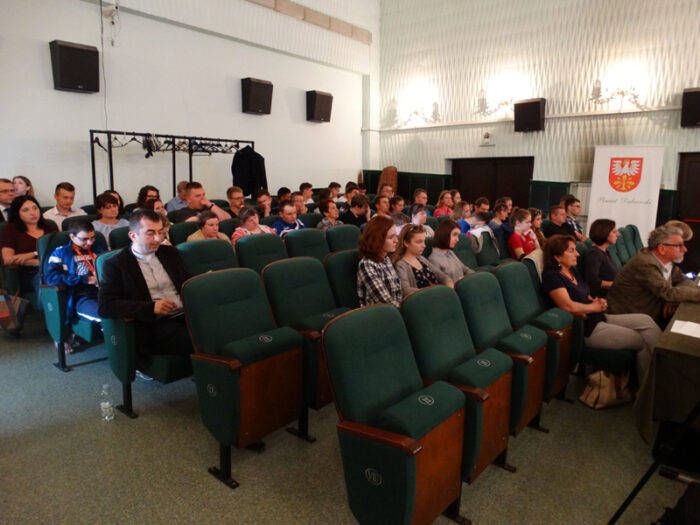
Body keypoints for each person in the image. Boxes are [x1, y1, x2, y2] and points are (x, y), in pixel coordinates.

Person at [542, 235, 660, 383]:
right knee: (641, 341)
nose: (577, 254)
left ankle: (666, 362)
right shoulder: (551, 276)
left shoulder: (572, 271)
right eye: (571, 251)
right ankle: (647, 388)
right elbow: (567, 305)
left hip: (598, 316)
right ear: (557, 256)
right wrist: (592, 307)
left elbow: (583, 294)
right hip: (586, 328)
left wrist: (596, 300)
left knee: (645, 321)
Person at [98, 210, 194, 371]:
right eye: (150, 233)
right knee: (201, 340)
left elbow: (187, 282)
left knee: (223, 329)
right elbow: (106, 306)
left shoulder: (170, 253)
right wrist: (150, 307)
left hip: (185, 315)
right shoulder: (116, 264)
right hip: (153, 325)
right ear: (133, 236)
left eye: (160, 232)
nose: (158, 238)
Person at [607, 225, 700, 327]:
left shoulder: (665, 260)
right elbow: (667, 292)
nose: (685, 249)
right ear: (662, 248)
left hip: (653, 311)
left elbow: (683, 279)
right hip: (630, 316)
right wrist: (672, 296)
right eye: (679, 246)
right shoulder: (646, 264)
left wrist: (673, 298)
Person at [45, 219, 104, 352]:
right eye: (84, 239)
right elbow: (51, 278)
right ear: (72, 237)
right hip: (82, 297)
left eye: (92, 238)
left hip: (104, 292)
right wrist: (85, 279)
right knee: (108, 315)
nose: (90, 242)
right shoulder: (61, 253)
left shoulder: (97, 249)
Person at [1, 195, 57, 300]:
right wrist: (36, 262)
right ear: (17, 213)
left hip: (55, 268)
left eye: (35, 208)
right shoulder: (10, 230)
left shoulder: (51, 229)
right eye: (25, 210)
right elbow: (8, 259)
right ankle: (49, 306)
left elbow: (60, 253)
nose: (32, 213)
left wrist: (32, 254)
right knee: (47, 278)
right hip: (30, 274)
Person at [392, 225, 453, 296]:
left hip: (437, 295)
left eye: (424, 241)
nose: (424, 245)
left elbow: (442, 275)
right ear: (406, 243)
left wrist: (449, 284)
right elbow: (406, 290)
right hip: (424, 299)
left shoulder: (421, 258)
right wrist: (434, 291)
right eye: (419, 242)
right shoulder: (401, 264)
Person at [357, 216, 401, 308]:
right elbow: (385, 303)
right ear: (377, 240)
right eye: (391, 237)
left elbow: (398, 292)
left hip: (395, 309)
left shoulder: (386, 258)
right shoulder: (367, 265)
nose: (396, 240)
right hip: (378, 314)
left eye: (396, 235)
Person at [582, 219, 619, 298]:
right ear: (604, 233)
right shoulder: (594, 254)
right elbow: (593, 281)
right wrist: (619, 284)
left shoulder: (605, 252)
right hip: (604, 297)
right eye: (614, 232)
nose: (618, 234)